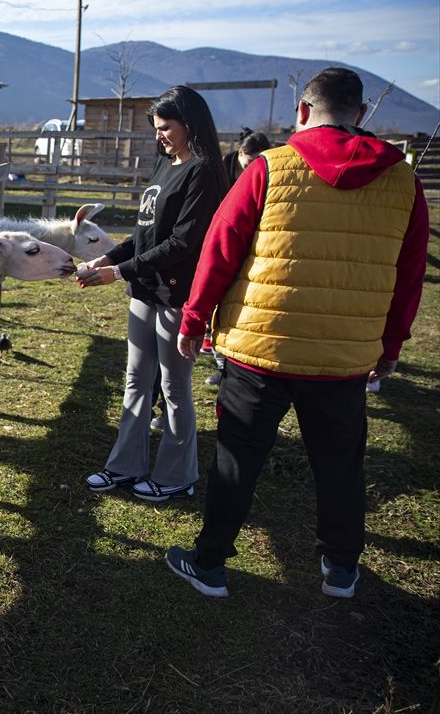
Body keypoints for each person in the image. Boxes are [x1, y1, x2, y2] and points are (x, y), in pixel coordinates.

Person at [165, 68, 428, 599]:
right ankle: (340, 567)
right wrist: (391, 347)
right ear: (360, 115)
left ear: (303, 112)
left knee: (238, 457)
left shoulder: (270, 167)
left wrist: (195, 319)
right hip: (344, 356)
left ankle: (211, 563)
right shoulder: (403, 179)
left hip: (261, 347)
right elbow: (409, 274)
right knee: (340, 464)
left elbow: (221, 249)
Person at [77, 86, 228, 501]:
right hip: (144, 292)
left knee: (174, 387)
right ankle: (124, 466)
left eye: (165, 127)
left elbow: (181, 243)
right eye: (156, 128)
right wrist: (105, 259)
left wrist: (118, 273)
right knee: (135, 380)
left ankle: (178, 473)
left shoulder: (204, 172)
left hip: (175, 296)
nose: (159, 135)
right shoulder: (166, 166)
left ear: (189, 124)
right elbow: (145, 237)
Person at [205, 127, 274, 387]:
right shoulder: (222, 171)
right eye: (251, 161)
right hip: (225, 240)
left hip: (255, 247)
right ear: (241, 152)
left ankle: (235, 369)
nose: (255, 167)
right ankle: (223, 366)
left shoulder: (270, 172)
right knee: (220, 308)